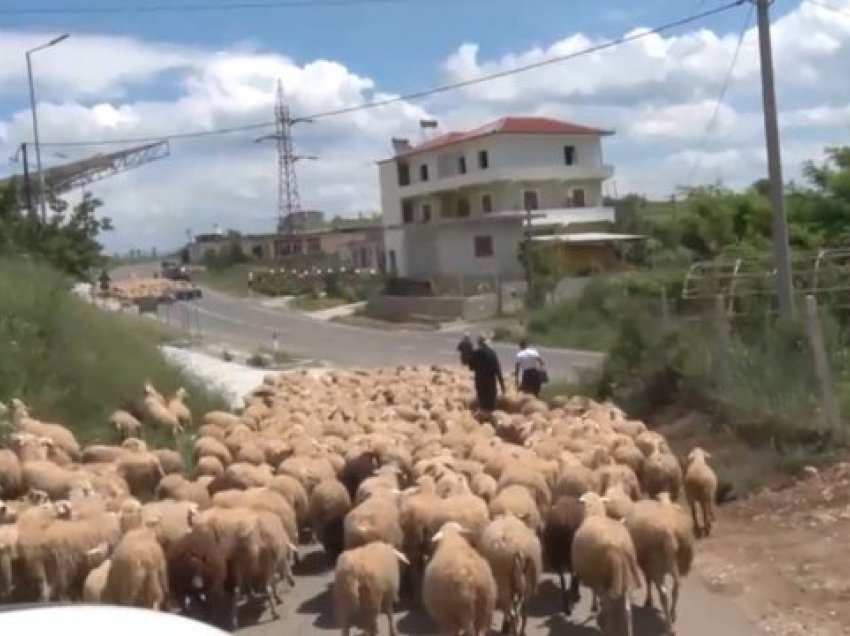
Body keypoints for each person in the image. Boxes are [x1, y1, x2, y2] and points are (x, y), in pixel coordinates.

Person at [469, 335, 505, 412]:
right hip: (490, 381)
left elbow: (471, 367)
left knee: (482, 402)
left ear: (479, 343)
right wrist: (502, 385)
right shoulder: (492, 353)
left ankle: (482, 420)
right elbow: (498, 370)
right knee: (491, 403)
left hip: (480, 381)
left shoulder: (475, 353)